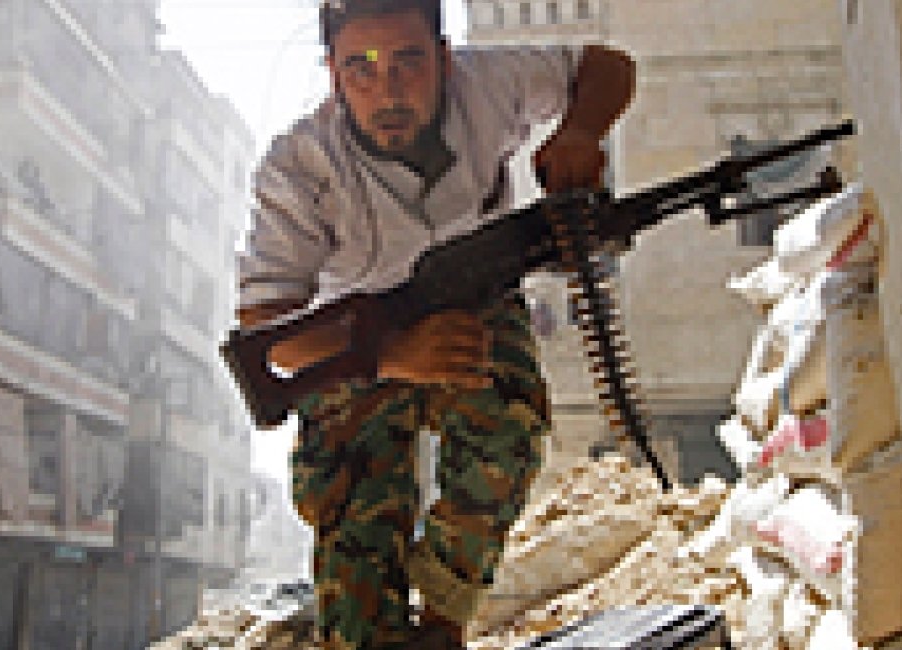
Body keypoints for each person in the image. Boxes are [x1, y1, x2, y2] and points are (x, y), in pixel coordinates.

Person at [234, 1, 635, 647]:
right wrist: (392, 355)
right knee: (358, 542)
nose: (387, 90)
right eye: (359, 69)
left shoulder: (488, 82)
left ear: (445, 60)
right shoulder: (299, 165)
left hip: (471, 304)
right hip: (353, 340)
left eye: (408, 62)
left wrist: (582, 131)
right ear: (333, 75)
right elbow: (268, 329)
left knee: (508, 430)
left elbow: (606, 67)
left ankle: (446, 616)